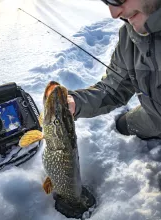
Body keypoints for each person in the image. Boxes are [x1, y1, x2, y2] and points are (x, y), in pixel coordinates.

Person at [68, 0, 161, 140]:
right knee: (121, 125)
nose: (114, 13)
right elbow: (113, 88)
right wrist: (76, 103)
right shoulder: (129, 34)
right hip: (155, 118)